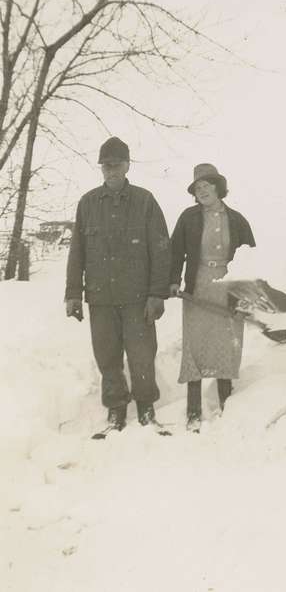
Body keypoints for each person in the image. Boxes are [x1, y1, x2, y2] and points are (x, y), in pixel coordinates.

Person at [65, 136, 171, 436]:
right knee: (107, 356)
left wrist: (156, 294)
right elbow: (77, 252)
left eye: (116, 165)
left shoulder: (144, 201)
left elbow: (161, 249)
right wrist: (73, 293)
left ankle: (146, 409)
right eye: (106, 166)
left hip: (137, 298)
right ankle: (116, 411)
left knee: (142, 354)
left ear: (127, 165)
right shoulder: (87, 203)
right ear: (102, 168)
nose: (111, 170)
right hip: (101, 298)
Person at [169, 163, 256, 432]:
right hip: (198, 288)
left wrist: (249, 297)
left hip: (229, 290)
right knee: (196, 348)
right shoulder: (188, 218)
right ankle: (193, 415)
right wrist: (173, 281)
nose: (202, 190)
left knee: (226, 349)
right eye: (198, 187)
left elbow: (252, 257)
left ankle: (228, 410)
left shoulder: (238, 219)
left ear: (219, 187)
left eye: (207, 185)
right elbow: (175, 252)